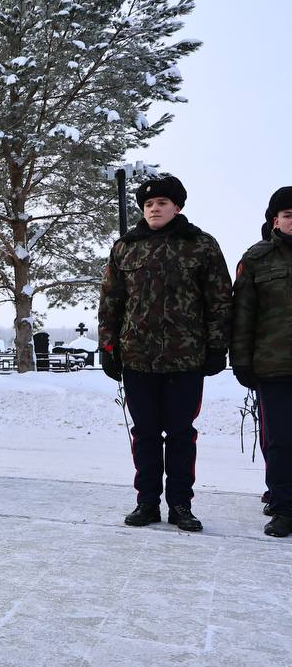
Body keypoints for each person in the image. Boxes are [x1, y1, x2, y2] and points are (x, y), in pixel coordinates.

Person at [98, 175, 232, 532]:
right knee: (144, 433)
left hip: (186, 358)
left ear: (177, 207)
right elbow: (110, 301)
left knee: (180, 434)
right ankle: (146, 503)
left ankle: (181, 505)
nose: (154, 209)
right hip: (137, 358)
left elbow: (219, 300)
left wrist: (218, 346)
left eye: (161, 203)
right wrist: (108, 347)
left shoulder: (201, 245)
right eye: (147, 204)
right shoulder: (125, 247)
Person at [231, 187, 292, 537]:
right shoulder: (257, 258)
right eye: (288, 215)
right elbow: (243, 315)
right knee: (280, 441)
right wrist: (240, 360)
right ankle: (284, 507)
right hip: (275, 366)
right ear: (275, 220)